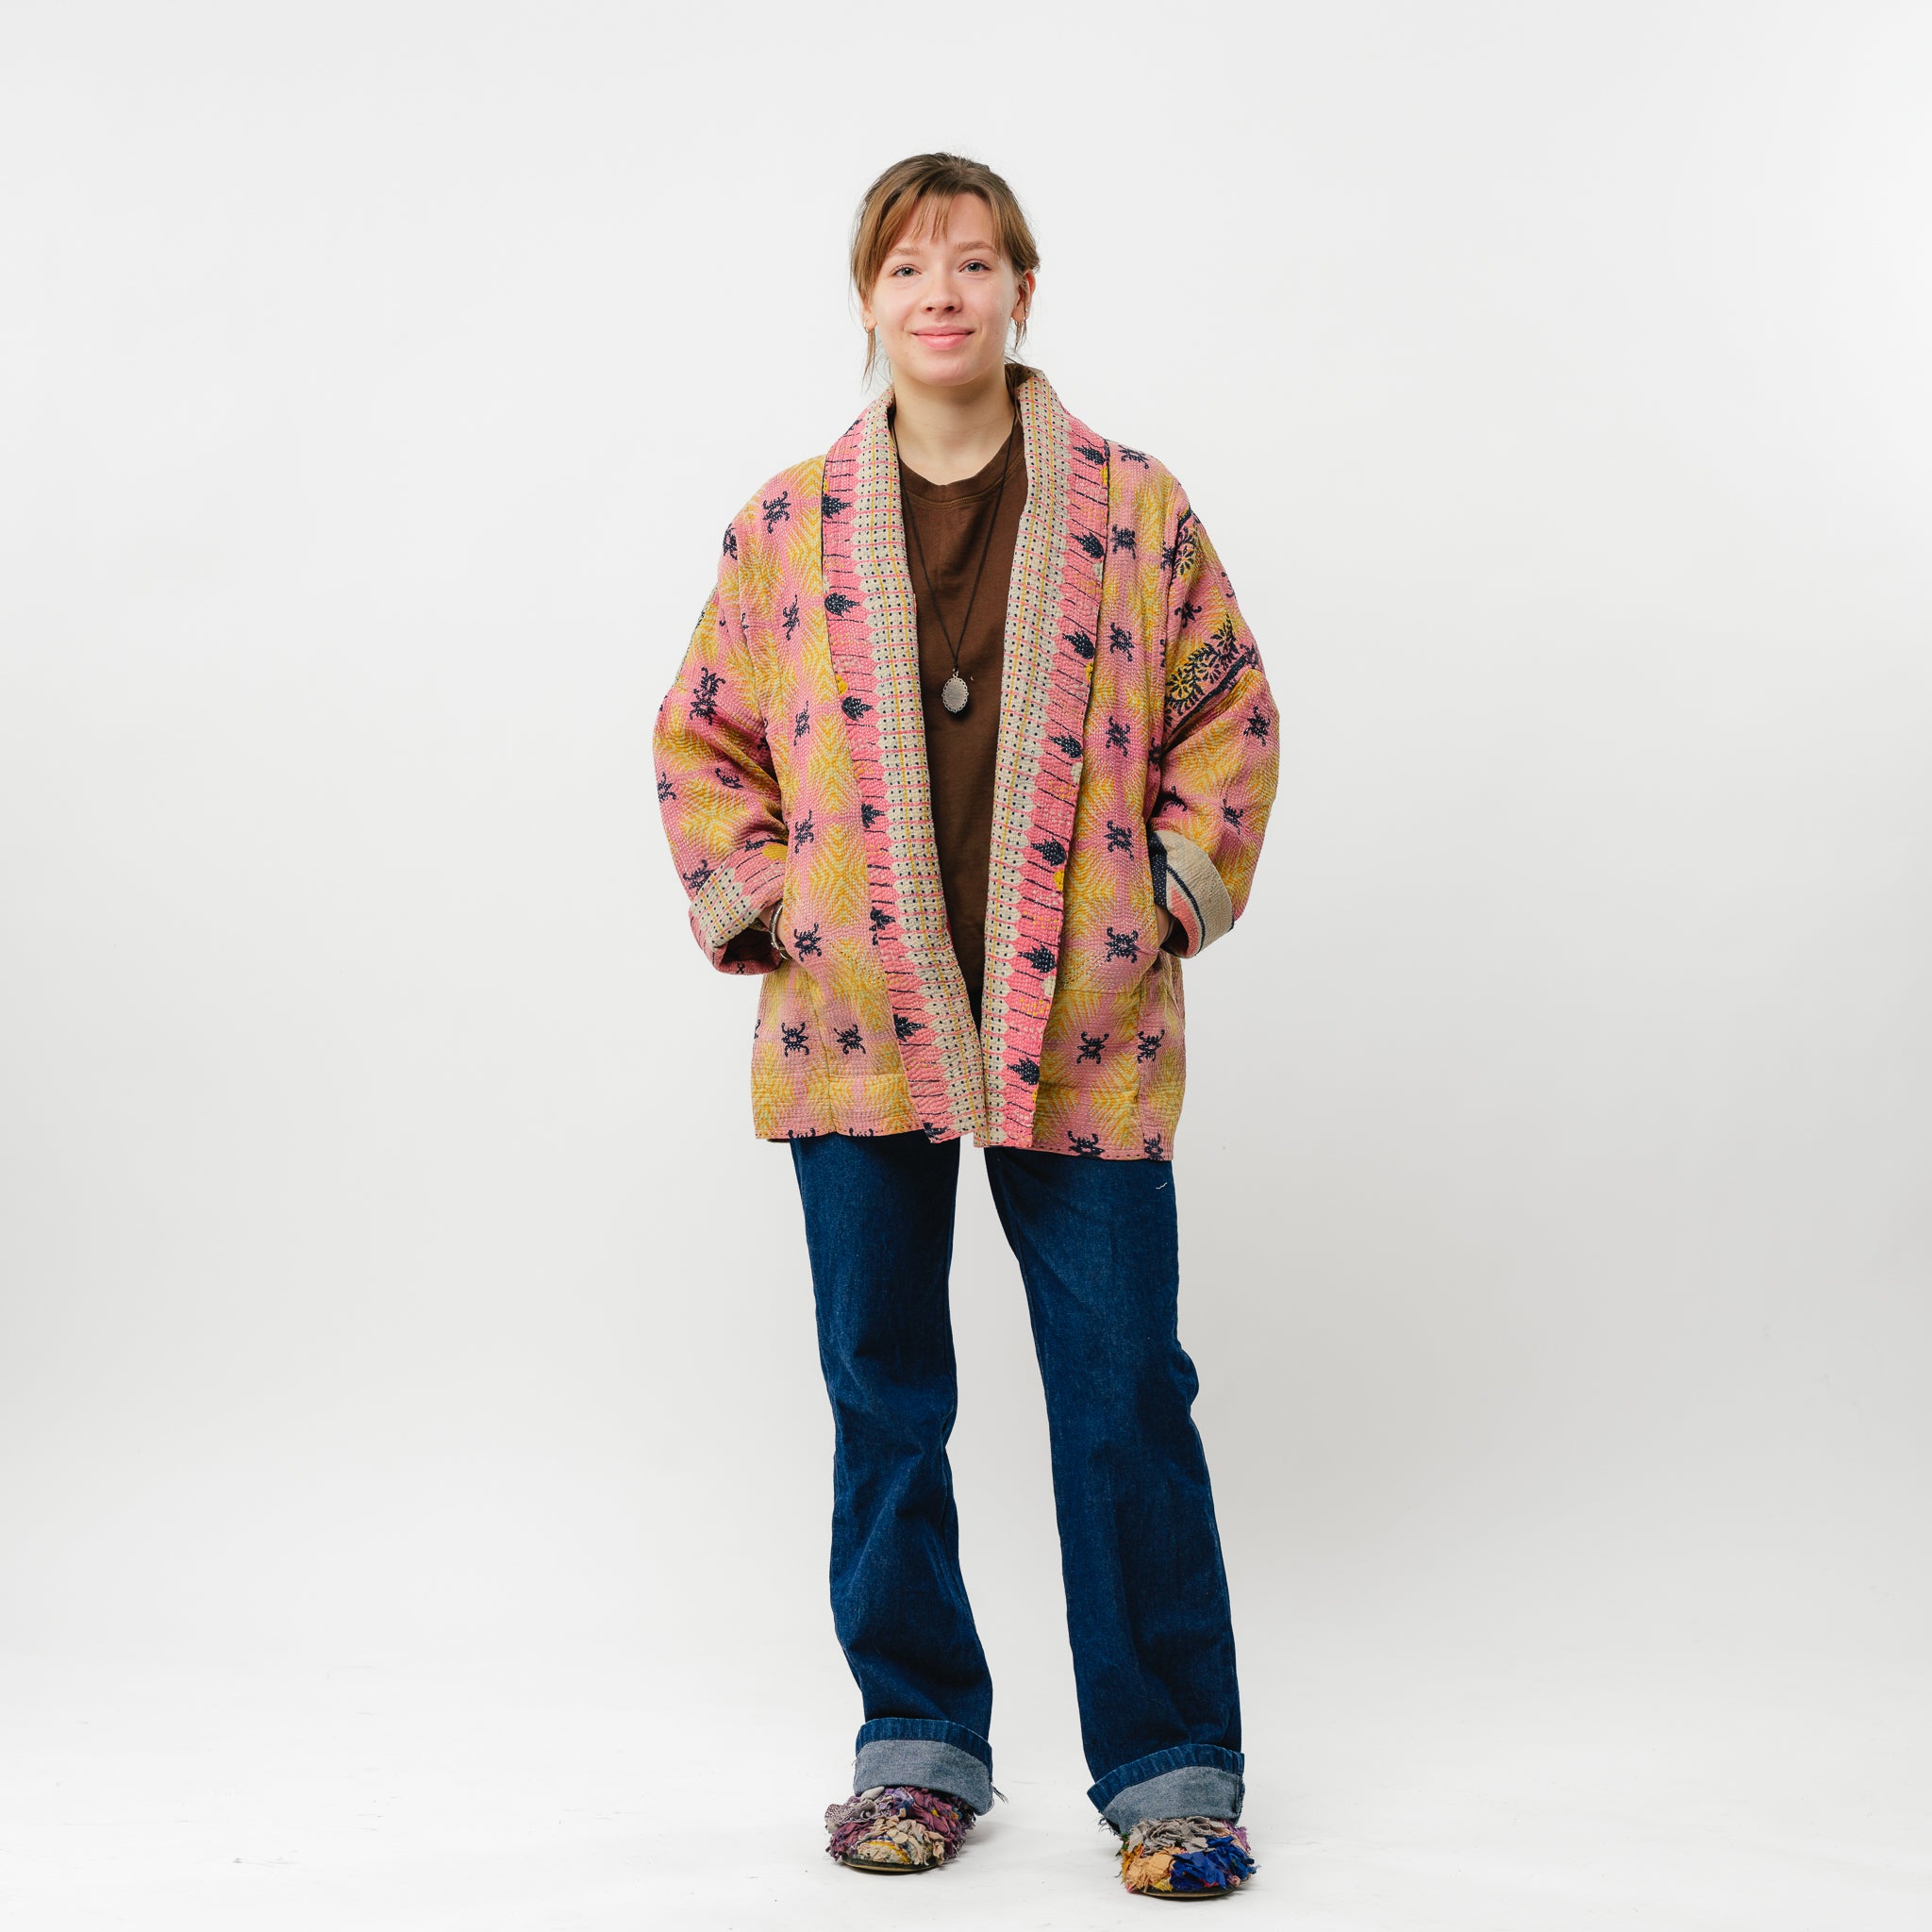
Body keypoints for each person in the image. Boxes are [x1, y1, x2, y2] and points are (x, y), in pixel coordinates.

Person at [653, 153, 1279, 1900]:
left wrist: (1161, 895)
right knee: (885, 1392)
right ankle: (916, 1750)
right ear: (865, 297)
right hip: (856, 1029)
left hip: (1084, 1024)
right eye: (909, 262)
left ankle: (1169, 1767)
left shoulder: (1132, 510)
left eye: (976, 259)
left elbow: (1230, 715)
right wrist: (774, 904)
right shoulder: (786, 525)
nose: (942, 288)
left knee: (1123, 1385)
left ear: (1020, 290)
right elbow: (701, 736)